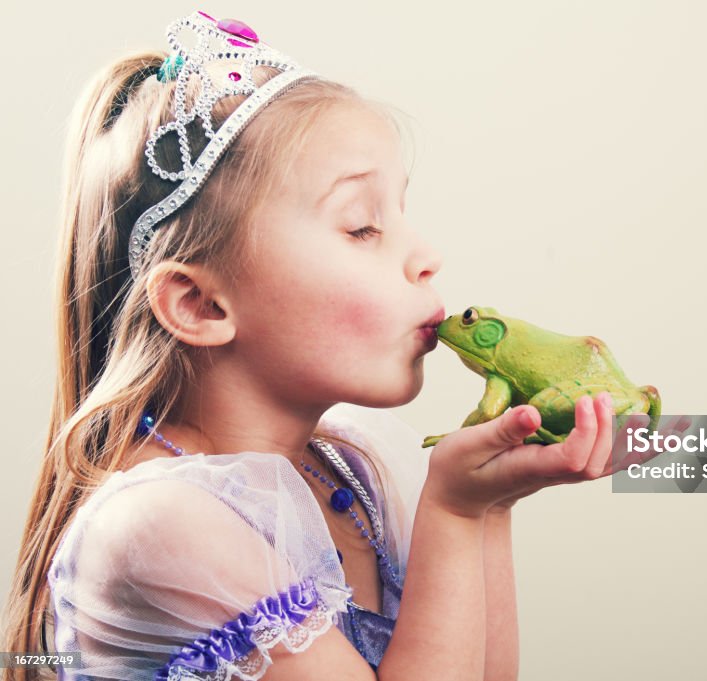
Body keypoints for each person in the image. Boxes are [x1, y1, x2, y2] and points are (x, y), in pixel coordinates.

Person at [0, 10, 666, 681]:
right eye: (361, 227)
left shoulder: (361, 467)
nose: (427, 256)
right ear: (200, 304)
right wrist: (457, 515)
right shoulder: (156, 527)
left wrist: (490, 503)